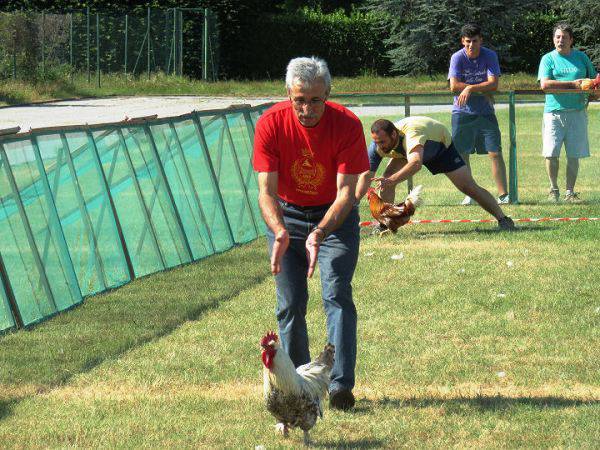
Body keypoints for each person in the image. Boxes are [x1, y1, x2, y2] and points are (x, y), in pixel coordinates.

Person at [253, 56, 369, 411]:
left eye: (315, 100)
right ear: (288, 93)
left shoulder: (347, 124)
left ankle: (339, 386)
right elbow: (266, 192)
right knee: (289, 305)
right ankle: (301, 386)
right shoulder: (270, 123)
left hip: (334, 219)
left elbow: (347, 194)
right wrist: (280, 231)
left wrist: (318, 232)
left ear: (328, 95)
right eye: (299, 99)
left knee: (336, 293)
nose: (306, 109)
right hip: (286, 217)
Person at [356, 116, 515, 231]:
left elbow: (416, 163)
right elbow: (366, 175)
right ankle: (384, 225)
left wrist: (391, 180)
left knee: (468, 187)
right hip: (406, 153)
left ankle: (503, 219)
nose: (380, 147)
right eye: (377, 142)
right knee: (384, 180)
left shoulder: (412, 134)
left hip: (439, 147)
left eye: (382, 142)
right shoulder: (377, 145)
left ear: (393, 135)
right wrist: (354, 200)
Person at [448, 23, 509, 206]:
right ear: (462, 41)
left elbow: (494, 84)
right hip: (461, 112)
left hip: (485, 112)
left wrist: (470, 87)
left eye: (475, 41)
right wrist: (481, 89)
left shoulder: (489, 55)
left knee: (495, 152)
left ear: (480, 40)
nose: (471, 45)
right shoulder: (457, 57)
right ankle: (470, 193)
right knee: (462, 154)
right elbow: (453, 86)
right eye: (467, 42)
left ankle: (504, 195)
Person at [538, 22, 596, 202]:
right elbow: (545, 85)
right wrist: (573, 84)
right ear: (553, 39)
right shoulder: (548, 58)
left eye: (564, 37)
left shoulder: (581, 57)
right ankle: (553, 190)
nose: (560, 40)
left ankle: (570, 192)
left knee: (573, 155)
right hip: (553, 113)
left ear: (571, 40)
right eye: (557, 37)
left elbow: (594, 81)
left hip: (577, 113)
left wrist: (592, 92)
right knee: (551, 153)